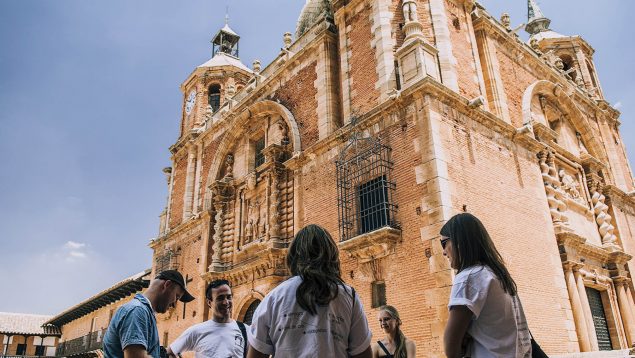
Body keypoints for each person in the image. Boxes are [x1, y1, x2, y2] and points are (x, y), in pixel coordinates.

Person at [247, 224, 372, 358]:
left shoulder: (273, 299)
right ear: (330, 254)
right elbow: (363, 354)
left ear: (294, 255)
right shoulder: (348, 296)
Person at [441, 213, 531, 358]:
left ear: (459, 241)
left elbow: (450, 345)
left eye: (444, 243)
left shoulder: (468, 277)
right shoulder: (498, 276)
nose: (444, 252)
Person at [103, 270, 195, 358]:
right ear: (167, 285)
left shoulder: (144, 312)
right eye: (177, 296)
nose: (175, 304)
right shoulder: (137, 310)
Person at [167, 279, 250, 358]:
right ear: (209, 302)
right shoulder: (196, 331)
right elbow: (169, 352)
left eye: (229, 297)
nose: (226, 302)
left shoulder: (246, 330)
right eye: (220, 298)